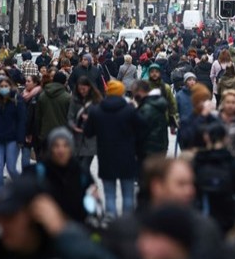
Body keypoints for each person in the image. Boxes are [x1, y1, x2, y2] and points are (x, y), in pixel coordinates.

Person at [102, 156, 227, 259]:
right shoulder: (123, 229)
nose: (190, 191)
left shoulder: (205, 228)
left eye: (191, 184)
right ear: (157, 186)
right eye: (181, 184)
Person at [84, 80, 143, 218]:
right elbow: (142, 128)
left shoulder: (96, 110)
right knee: (128, 195)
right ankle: (127, 225)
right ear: (122, 92)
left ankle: (112, 224)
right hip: (127, 155)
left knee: (109, 195)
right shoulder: (129, 110)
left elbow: (88, 133)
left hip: (106, 155)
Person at [23, 127, 94, 223]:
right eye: (56, 146)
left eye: (65, 146)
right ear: (50, 149)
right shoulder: (38, 171)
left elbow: (91, 202)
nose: (61, 150)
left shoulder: (81, 173)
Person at [193, 122, 235, 234]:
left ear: (206, 138)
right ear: (226, 139)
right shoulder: (234, 164)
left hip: (202, 221)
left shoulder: (197, 163)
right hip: (228, 221)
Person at [0, 78, 26, 189]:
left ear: (11, 87)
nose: (3, 88)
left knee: (11, 167)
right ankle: (0, 194)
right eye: (1, 86)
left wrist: (21, 138)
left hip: (12, 138)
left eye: (5, 86)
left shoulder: (17, 100)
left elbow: (22, 120)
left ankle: (23, 187)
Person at [67, 76, 101, 172]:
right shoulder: (74, 100)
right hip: (76, 138)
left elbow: (100, 118)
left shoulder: (96, 100)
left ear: (89, 87)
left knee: (84, 167)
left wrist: (90, 118)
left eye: (84, 89)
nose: (82, 91)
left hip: (91, 139)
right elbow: (70, 117)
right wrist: (73, 126)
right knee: (76, 167)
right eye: (80, 89)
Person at [35, 72, 71, 157]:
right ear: (64, 82)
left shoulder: (42, 95)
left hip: (45, 134)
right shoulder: (67, 97)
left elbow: (38, 117)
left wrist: (37, 134)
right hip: (62, 135)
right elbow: (70, 118)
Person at [132, 80, 170, 158]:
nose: (134, 96)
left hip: (149, 150)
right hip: (159, 147)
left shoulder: (147, 108)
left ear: (140, 91)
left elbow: (140, 131)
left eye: (134, 92)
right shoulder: (154, 103)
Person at [178, 83, 217, 150]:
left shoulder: (213, 119)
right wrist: (203, 116)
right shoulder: (186, 121)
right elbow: (185, 141)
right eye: (202, 100)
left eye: (206, 99)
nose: (205, 103)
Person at [21, 74, 41, 170]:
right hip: (24, 129)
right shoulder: (23, 94)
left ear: (35, 83)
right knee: (25, 153)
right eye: (26, 81)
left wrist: (29, 132)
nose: (26, 83)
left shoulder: (38, 95)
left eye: (29, 81)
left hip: (35, 131)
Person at [216, 90, 235, 157]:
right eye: (227, 102)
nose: (230, 105)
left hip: (234, 157)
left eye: (233, 102)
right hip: (217, 158)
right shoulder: (215, 118)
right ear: (223, 103)